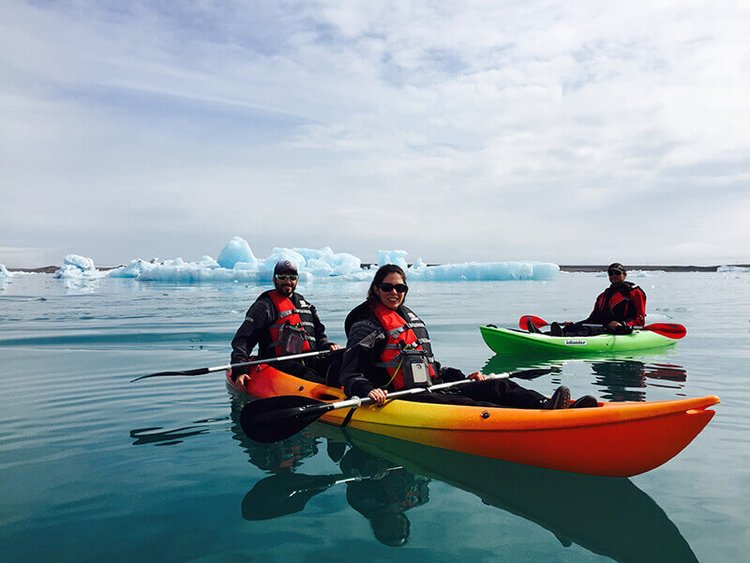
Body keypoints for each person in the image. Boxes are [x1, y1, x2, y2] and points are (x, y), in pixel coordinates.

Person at [340, 264, 597, 410]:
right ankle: (537, 418)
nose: (394, 292)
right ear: (376, 288)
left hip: (431, 386)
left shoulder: (409, 319)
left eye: (400, 287)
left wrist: (462, 377)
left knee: (494, 385)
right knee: (469, 403)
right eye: (387, 287)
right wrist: (367, 390)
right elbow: (350, 373)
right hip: (401, 397)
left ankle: (547, 405)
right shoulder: (366, 325)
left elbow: (432, 366)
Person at [230, 259, 340, 387]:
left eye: (292, 277)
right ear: (274, 279)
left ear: (297, 280)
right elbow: (243, 340)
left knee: (342, 358)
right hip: (280, 364)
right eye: (282, 277)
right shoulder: (264, 306)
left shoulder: (307, 306)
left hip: (310, 359)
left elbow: (319, 335)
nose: (287, 281)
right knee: (311, 377)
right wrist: (239, 369)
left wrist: (327, 345)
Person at [549, 262, 647, 337]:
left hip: (620, 329)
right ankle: (545, 334)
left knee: (587, 330)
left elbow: (640, 319)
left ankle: (559, 337)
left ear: (624, 275)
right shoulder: (603, 295)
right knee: (573, 327)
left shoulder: (634, 292)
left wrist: (622, 324)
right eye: (611, 274)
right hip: (601, 326)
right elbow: (592, 319)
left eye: (617, 273)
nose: (614, 276)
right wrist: (576, 324)